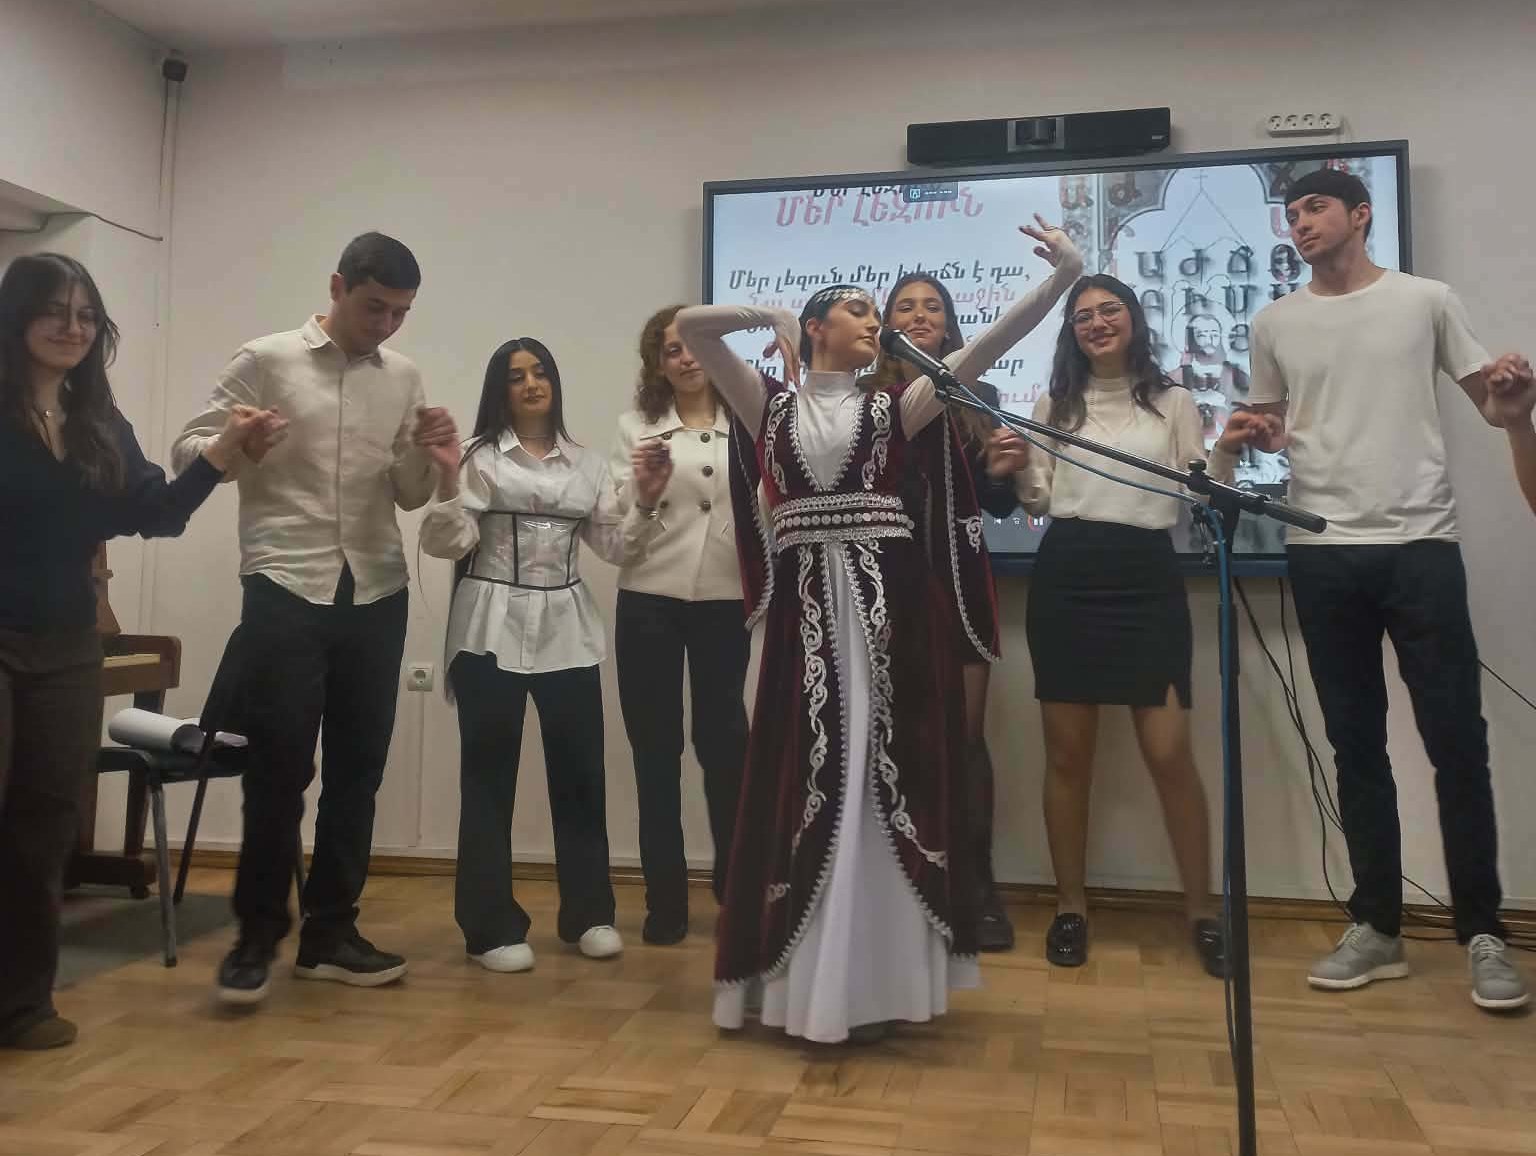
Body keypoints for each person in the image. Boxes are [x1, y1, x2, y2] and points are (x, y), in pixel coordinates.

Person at [677, 216, 1081, 1044]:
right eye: (859, 310)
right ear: (817, 328)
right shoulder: (766, 403)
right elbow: (691, 327)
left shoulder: (901, 404)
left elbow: (993, 343)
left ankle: (880, 980)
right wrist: (763, 316)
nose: (876, 323)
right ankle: (805, 984)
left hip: (890, 618)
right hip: (802, 623)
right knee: (805, 774)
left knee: (882, 777)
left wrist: (1063, 277)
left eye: (876, 312)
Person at [1215, 168, 1534, 1010]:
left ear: (1360, 215)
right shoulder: (1274, 321)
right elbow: (1272, 426)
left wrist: (1513, 400)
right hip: (1322, 549)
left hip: (1420, 545)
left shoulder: (1426, 300)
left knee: (1456, 744)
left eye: (1315, 207)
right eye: (1291, 212)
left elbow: (1490, 406)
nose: (1300, 222)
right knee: (1354, 746)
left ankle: (1485, 934)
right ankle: (1378, 927)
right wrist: (1255, 433)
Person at [173, 233, 459, 1006]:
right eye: (374, 308)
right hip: (284, 583)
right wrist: (237, 441)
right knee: (279, 770)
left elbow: (406, 494)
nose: (386, 325)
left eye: (400, 313)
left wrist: (431, 457)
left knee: (358, 772)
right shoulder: (266, 358)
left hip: (376, 588)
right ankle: (255, 938)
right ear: (337, 287)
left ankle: (331, 934)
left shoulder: (403, 377)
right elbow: (186, 453)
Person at [1, 254, 269, 1049]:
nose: (72, 327)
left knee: (46, 821)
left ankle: (22, 1004)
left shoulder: (96, 422)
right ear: (17, 316)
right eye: (55, 310)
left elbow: (157, 512)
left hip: (66, 643)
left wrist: (222, 453)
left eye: (86, 315)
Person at [985, 275, 1226, 977]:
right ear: (1072, 332)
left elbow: (1196, 489)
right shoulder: (1053, 404)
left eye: (1109, 310)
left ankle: (1202, 912)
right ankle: (1071, 907)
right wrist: (1014, 470)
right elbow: (1040, 499)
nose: (1096, 323)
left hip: (1147, 578)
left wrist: (1231, 454)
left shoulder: (1176, 402)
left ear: (1133, 319)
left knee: (1170, 755)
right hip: (1069, 577)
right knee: (1067, 759)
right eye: (1083, 315)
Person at [421, 338, 669, 970]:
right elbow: (446, 544)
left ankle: (589, 914)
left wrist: (644, 498)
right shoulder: (475, 457)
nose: (531, 384)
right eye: (515, 376)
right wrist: (446, 477)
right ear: (498, 389)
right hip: (488, 626)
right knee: (488, 777)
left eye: (540, 373)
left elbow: (618, 549)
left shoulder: (587, 465)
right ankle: (489, 928)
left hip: (568, 627)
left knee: (581, 773)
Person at [868, 274, 1015, 951]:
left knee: (964, 740)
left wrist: (1005, 470)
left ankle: (976, 890)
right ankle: (898, 888)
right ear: (885, 326)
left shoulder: (978, 393)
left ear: (951, 326)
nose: (921, 315)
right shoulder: (861, 397)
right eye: (906, 307)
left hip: (959, 582)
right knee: (889, 741)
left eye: (933, 307)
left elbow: (999, 504)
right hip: (882, 584)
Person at [607, 306, 751, 945]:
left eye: (695, 344)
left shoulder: (749, 420)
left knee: (726, 749)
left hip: (726, 600)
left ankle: (735, 890)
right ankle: (664, 900)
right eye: (671, 349)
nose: (687, 357)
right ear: (657, 365)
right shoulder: (635, 428)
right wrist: (643, 495)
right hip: (649, 602)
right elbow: (619, 540)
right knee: (655, 753)